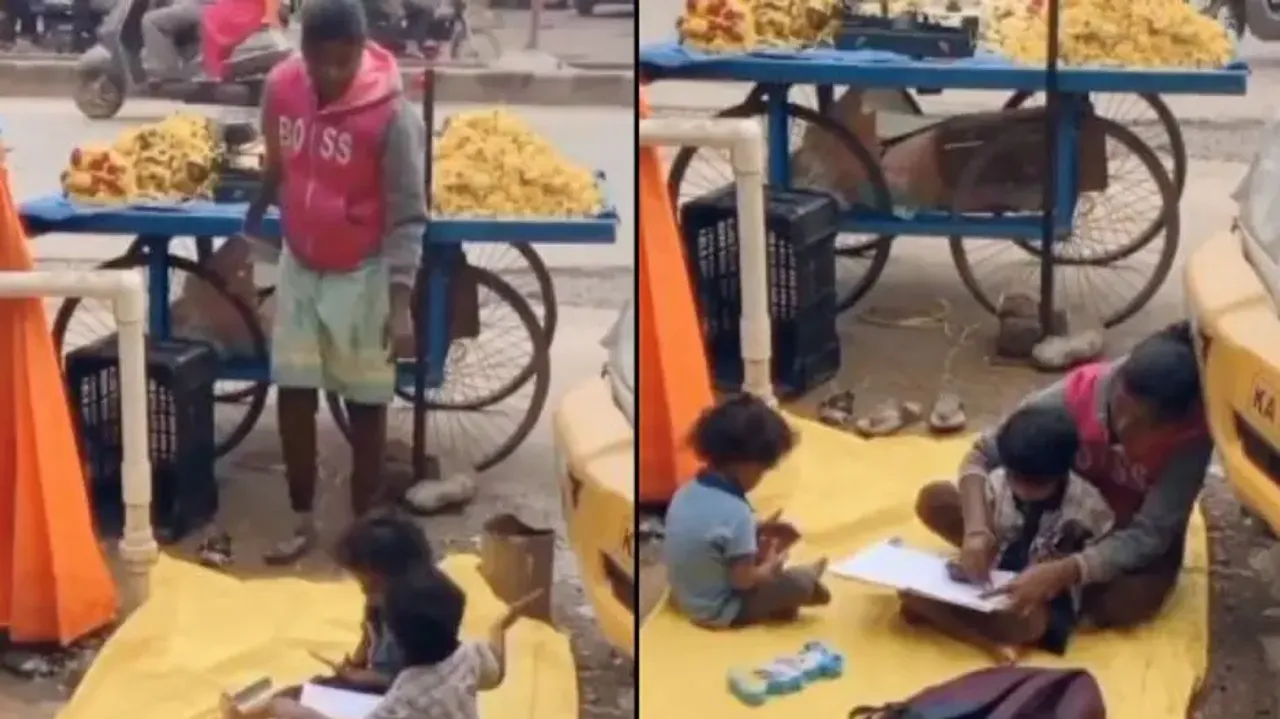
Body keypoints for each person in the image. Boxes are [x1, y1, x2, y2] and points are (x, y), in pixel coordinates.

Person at [242, 0, 428, 564]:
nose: (329, 74)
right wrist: (256, 222)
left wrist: (400, 307)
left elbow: (407, 216)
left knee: (366, 405)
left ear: (360, 50)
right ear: (301, 52)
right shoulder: (280, 86)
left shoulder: (394, 116)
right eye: (318, 62)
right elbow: (279, 157)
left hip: (364, 274)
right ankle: (302, 519)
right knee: (294, 391)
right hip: (300, 262)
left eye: (342, 63)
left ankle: (364, 531)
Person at [918, 321, 1210, 629]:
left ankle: (1033, 602)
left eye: (1141, 425)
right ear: (1118, 385)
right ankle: (1023, 583)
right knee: (938, 501)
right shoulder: (1075, 396)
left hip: (1108, 536)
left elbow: (1150, 535)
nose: (1121, 427)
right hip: (1045, 518)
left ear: (1173, 426)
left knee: (1134, 598)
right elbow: (981, 454)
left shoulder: (1190, 442)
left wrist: (1069, 570)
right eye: (1121, 410)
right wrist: (978, 531)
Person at [902, 404, 1115, 664]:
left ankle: (980, 639)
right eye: (1016, 478)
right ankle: (952, 614)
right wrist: (975, 544)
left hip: (1042, 591)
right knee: (935, 498)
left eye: (1034, 483)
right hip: (997, 569)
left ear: (1061, 474)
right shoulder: (1000, 480)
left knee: (1030, 623)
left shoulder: (1087, 507)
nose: (1022, 490)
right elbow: (986, 516)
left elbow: (1095, 563)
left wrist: (1055, 576)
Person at [270, 568, 542, 719]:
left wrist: (294, 712)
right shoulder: (469, 657)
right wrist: (500, 626)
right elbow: (496, 670)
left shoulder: (408, 695)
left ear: (398, 640)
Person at [663, 394, 829, 628]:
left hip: (684, 597)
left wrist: (757, 528)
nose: (761, 478)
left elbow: (709, 531)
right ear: (747, 464)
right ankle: (805, 584)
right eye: (763, 470)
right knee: (798, 584)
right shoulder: (736, 513)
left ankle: (788, 593)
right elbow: (743, 582)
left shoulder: (687, 491)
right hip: (718, 610)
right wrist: (771, 565)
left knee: (753, 555)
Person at [141, 0, 215, 80]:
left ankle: (167, 71)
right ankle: (173, 68)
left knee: (149, 21)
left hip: (202, 6)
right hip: (205, 6)